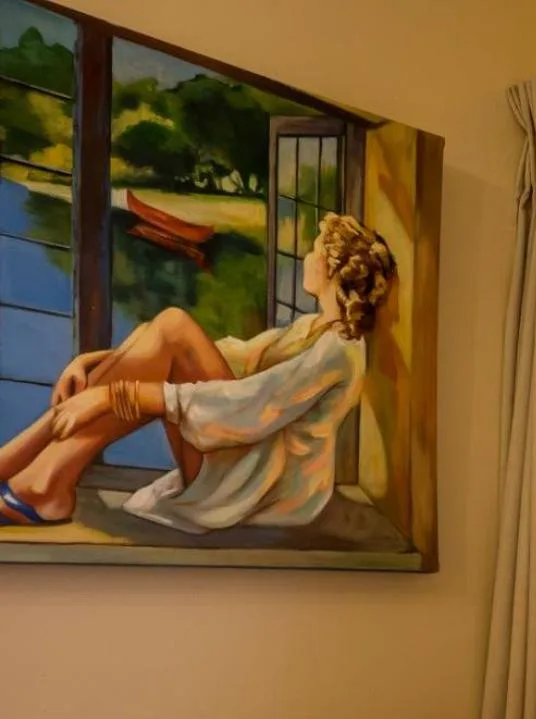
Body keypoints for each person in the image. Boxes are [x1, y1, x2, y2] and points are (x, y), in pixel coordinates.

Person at [0, 213, 396, 533]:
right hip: (243, 460)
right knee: (161, 332)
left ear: (332, 268)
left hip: (261, 485)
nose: (307, 258)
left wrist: (118, 394)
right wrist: (95, 360)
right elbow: (232, 356)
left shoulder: (341, 350)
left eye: (313, 250)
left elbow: (254, 405)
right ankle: (34, 474)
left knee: (173, 328)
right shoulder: (311, 328)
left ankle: (41, 480)